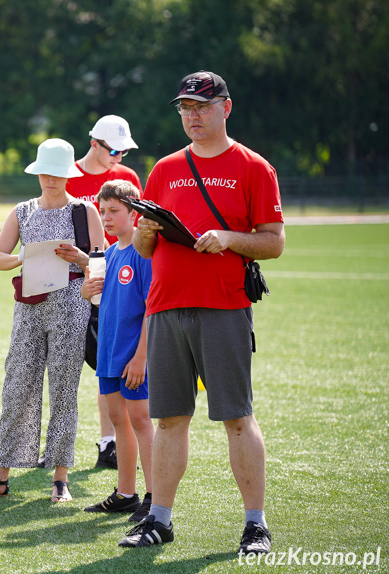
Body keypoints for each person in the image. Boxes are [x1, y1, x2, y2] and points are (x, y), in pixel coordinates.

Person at [118, 71, 284, 555]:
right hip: (167, 306)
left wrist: (229, 238)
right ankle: (160, 519)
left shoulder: (254, 167)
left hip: (224, 307)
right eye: (185, 108)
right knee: (169, 419)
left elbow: (274, 241)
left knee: (237, 417)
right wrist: (146, 231)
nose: (192, 116)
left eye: (202, 107)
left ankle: (256, 525)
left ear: (225, 108)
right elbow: (146, 251)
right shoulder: (166, 169)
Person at [0, 138, 104, 503]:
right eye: (46, 172)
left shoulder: (85, 212)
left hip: (72, 303)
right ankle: (0, 475)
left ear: (68, 174)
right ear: (38, 172)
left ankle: (60, 479)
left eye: (58, 173)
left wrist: (80, 257)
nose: (51, 179)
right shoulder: (22, 211)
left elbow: (103, 263)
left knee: (63, 389)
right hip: (28, 305)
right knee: (17, 386)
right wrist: (24, 256)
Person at [68, 115, 142, 470]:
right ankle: (55, 449)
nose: (119, 157)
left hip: (120, 281)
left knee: (109, 364)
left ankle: (109, 443)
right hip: (72, 282)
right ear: (94, 143)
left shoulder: (127, 179)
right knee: (66, 368)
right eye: (113, 150)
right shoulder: (68, 174)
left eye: (124, 151)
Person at [80, 180, 154, 523]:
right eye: (103, 210)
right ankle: (126, 493)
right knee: (118, 420)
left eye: (114, 211)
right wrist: (86, 290)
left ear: (133, 212)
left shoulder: (143, 254)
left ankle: (155, 497)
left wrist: (141, 357)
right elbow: (99, 302)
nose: (106, 217)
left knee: (140, 420)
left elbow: (152, 309)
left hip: (133, 358)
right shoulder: (108, 256)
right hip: (108, 355)